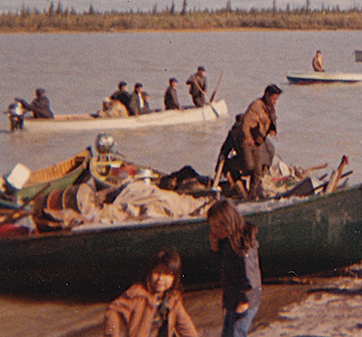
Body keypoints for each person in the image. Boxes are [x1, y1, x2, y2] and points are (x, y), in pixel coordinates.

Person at [104, 249, 198, 337]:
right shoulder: (138, 293)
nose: (160, 279)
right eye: (157, 272)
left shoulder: (173, 297)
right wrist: (112, 334)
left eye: (167, 274)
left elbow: (184, 324)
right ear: (150, 273)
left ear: (175, 278)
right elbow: (113, 310)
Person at [207, 200, 261, 337]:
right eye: (212, 226)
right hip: (232, 299)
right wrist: (215, 249)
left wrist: (245, 300)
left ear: (228, 223)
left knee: (236, 333)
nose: (214, 230)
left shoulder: (243, 244)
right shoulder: (226, 241)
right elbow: (220, 267)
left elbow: (251, 276)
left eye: (217, 227)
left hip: (245, 300)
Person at [240, 84, 281, 199]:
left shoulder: (269, 107)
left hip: (258, 140)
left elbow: (269, 120)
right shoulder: (256, 106)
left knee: (258, 169)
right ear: (266, 95)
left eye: (276, 99)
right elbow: (246, 124)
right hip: (248, 139)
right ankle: (230, 165)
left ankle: (252, 195)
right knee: (249, 166)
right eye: (273, 99)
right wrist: (248, 137)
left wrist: (272, 131)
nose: (275, 102)